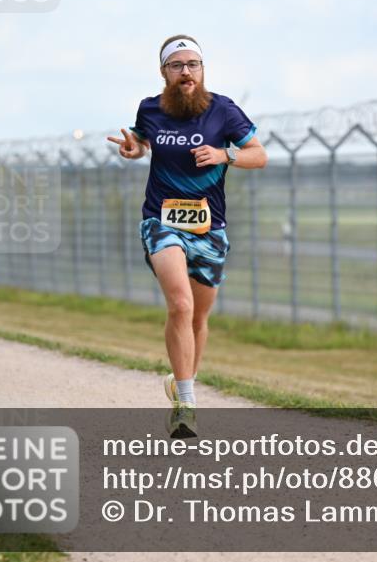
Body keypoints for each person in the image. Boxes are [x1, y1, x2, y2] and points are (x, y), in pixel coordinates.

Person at [108, 34, 267, 438]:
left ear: (202, 69)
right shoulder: (151, 108)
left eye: (192, 64)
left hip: (210, 228)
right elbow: (141, 141)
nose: (186, 72)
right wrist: (133, 149)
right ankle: (186, 404)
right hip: (161, 221)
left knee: (198, 316)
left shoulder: (223, 111)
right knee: (179, 304)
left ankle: (181, 382)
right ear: (164, 73)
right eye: (176, 66)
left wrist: (224, 154)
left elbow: (259, 154)